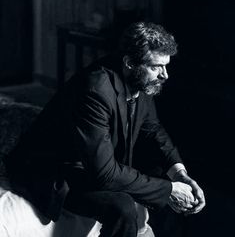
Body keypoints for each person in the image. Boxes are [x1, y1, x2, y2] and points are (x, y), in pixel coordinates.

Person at [5, 22, 205, 237]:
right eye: (156, 67)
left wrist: (179, 174)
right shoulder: (95, 89)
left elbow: (153, 131)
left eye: (166, 66)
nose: (165, 75)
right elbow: (104, 174)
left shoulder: (141, 80)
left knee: (160, 176)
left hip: (92, 161)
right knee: (123, 207)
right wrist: (169, 190)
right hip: (55, 170)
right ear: (129, 63)